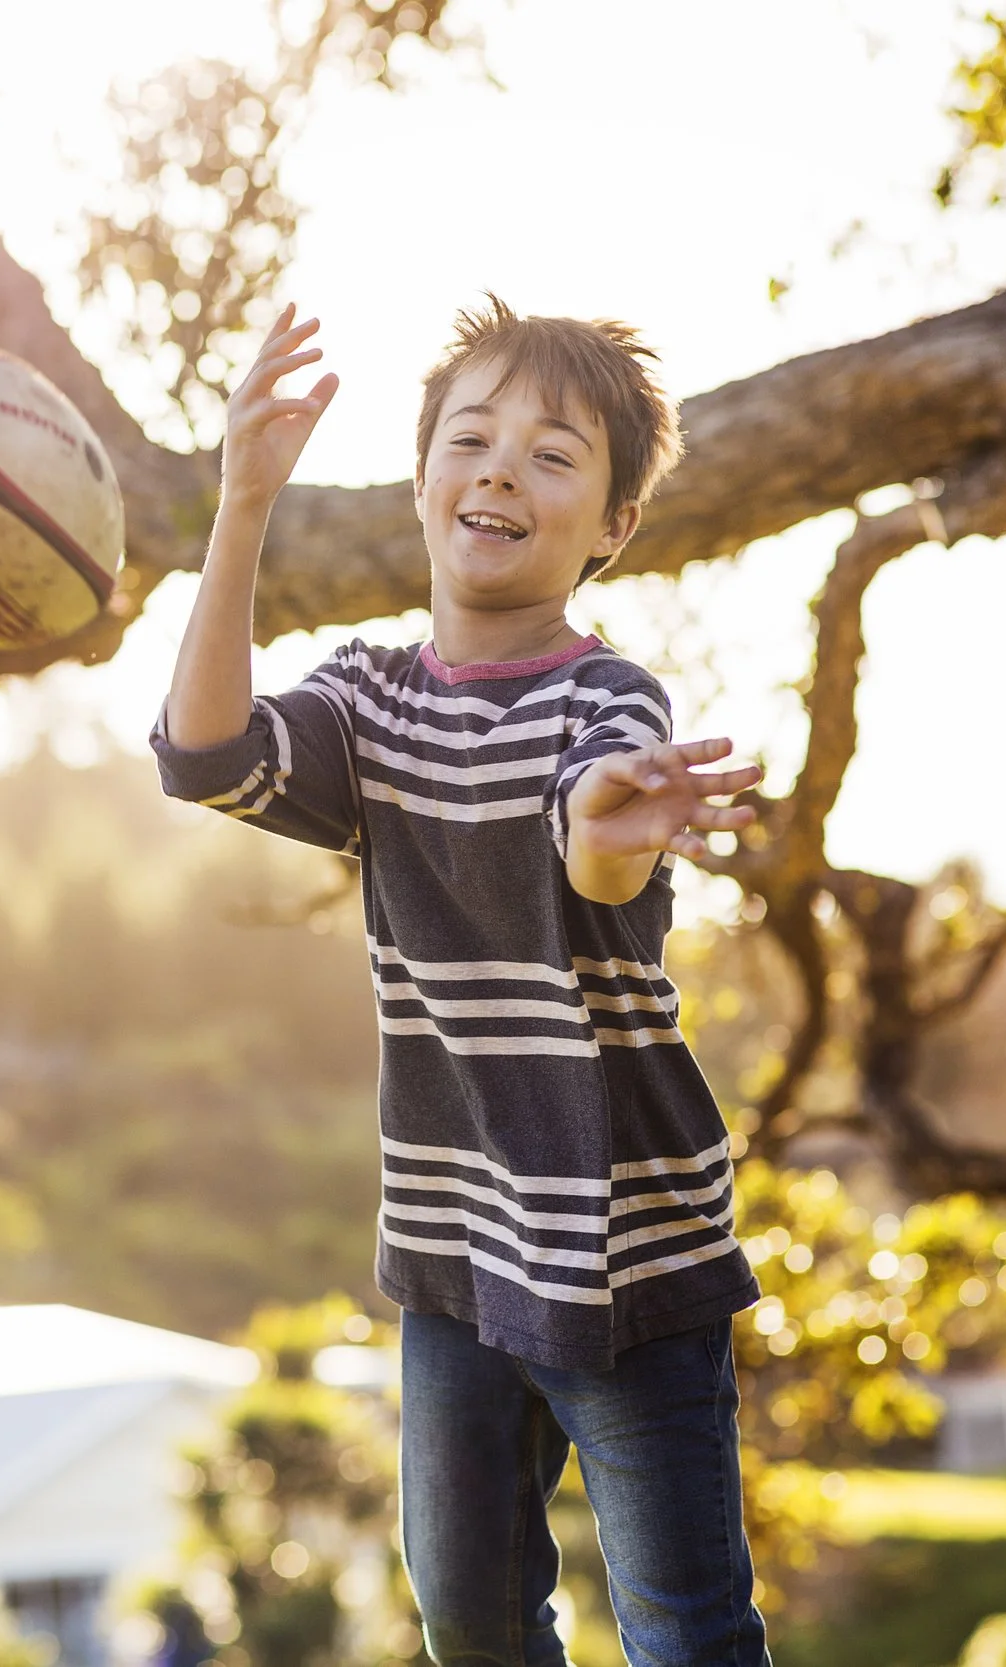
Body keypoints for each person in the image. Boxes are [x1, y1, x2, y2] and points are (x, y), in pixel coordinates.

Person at [153, 296, 770, 1667]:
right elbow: (205, 753)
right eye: (472, 438)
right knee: (471, 1620)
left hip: (631, 1246)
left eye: (554, 455)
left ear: (612, 522)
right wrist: (244, 498)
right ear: (426, 474)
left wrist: (616, 819)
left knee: (685, 1629)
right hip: (452, 1246)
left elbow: (594, 845)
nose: (500, 469)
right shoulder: (370, 699)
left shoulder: (608, 704)